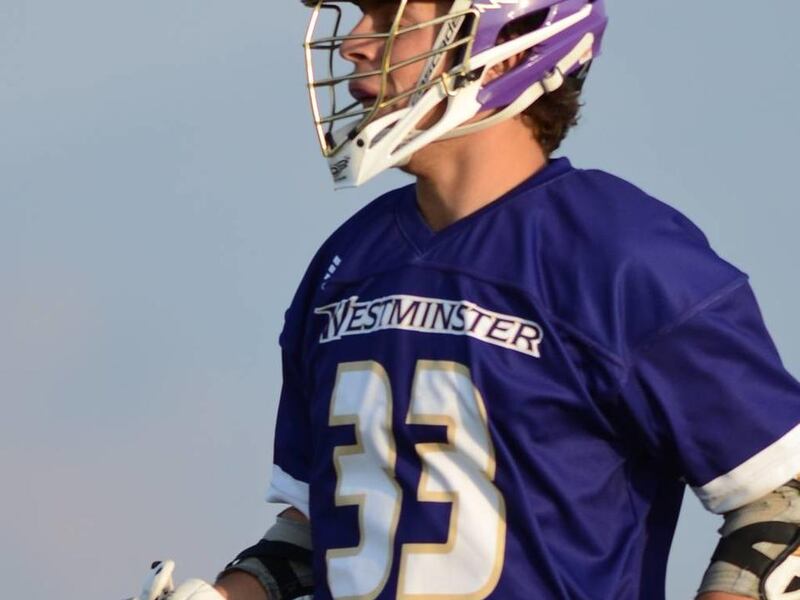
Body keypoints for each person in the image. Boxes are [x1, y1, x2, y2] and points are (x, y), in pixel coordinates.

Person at [131, 1, 800, 599]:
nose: (355, 43)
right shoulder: (346, 266)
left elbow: (781, 501)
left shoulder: (621, 255)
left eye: (393, 14)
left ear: (509, 39)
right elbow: (321, 526)